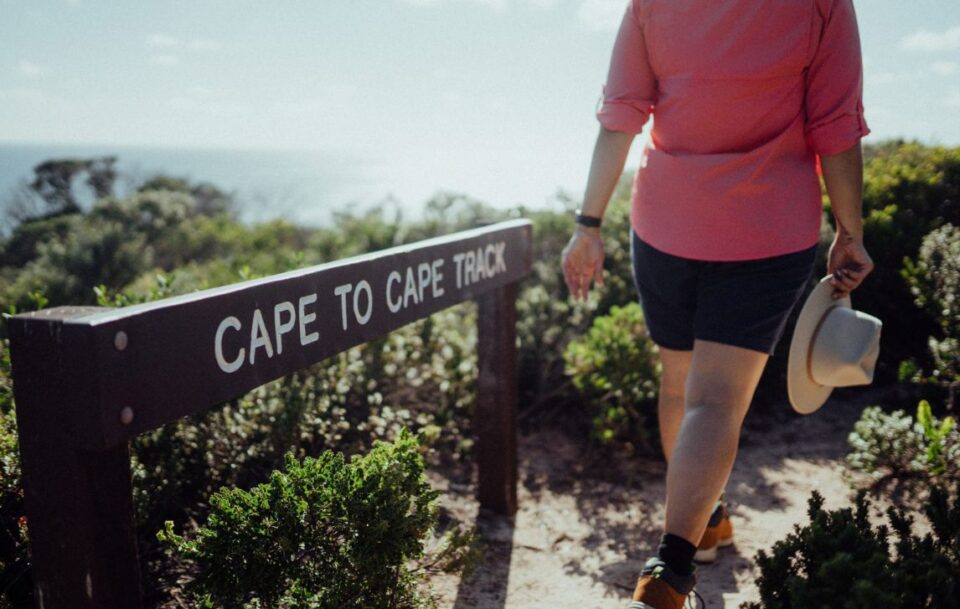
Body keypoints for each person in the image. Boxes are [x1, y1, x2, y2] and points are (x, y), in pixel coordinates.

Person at [560, 0, 874, 607]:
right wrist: (850, 230)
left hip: (665, 222)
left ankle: (704, 526)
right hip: (767, 227)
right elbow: (835, 123)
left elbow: (621, 114)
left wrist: (588, 223)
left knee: (681, 384)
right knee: (716, 399)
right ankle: (671, 568)